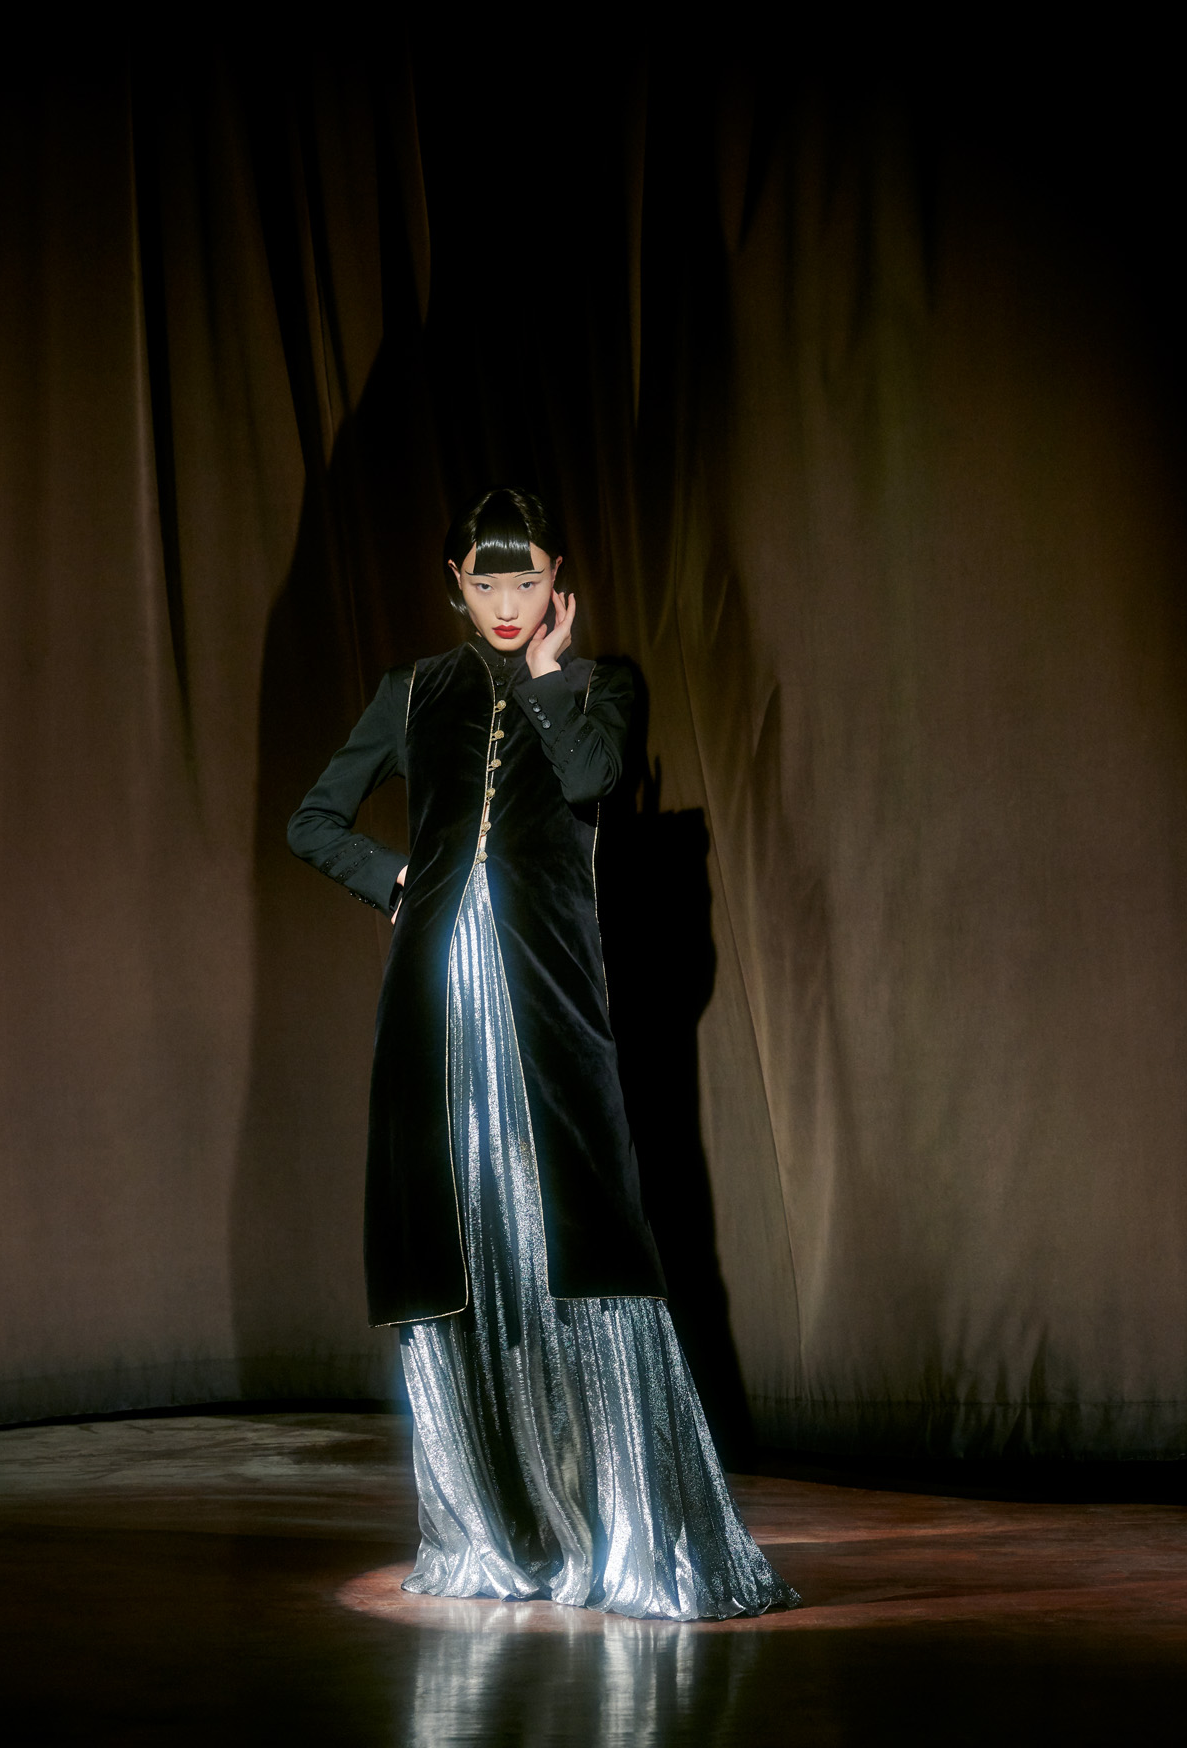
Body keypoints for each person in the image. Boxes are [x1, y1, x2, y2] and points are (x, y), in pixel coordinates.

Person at [288, 488, 796, 1620]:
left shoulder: (598, 688)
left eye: (527, 581)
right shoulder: (413, 690)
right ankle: (491, 1529)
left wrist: (554, 672)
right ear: (456, 585)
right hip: (434, 1003)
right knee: (457, 1240)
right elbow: (312, 820)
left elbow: (589, 781)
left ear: (557, 578)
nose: (508, 604)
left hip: (549, 998)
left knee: (580, 1237)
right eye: (487, 583)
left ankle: (623, 1532)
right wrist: (397, 880)